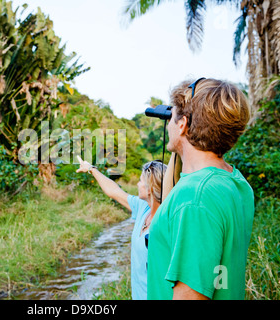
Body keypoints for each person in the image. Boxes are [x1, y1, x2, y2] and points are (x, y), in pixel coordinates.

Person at [147, 78, 255, 300]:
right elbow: (169, 209)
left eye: (172, 117)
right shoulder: (234, 182)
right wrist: (181, 148)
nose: (168, 124)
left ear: (183, 124)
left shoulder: (195, 197)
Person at [76, 155, 167, 300]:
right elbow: (114, 191)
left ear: (150, 188)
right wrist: (91, 169)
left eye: (140, 181)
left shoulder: (166, 225)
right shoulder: (143, 207)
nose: (137, 184)